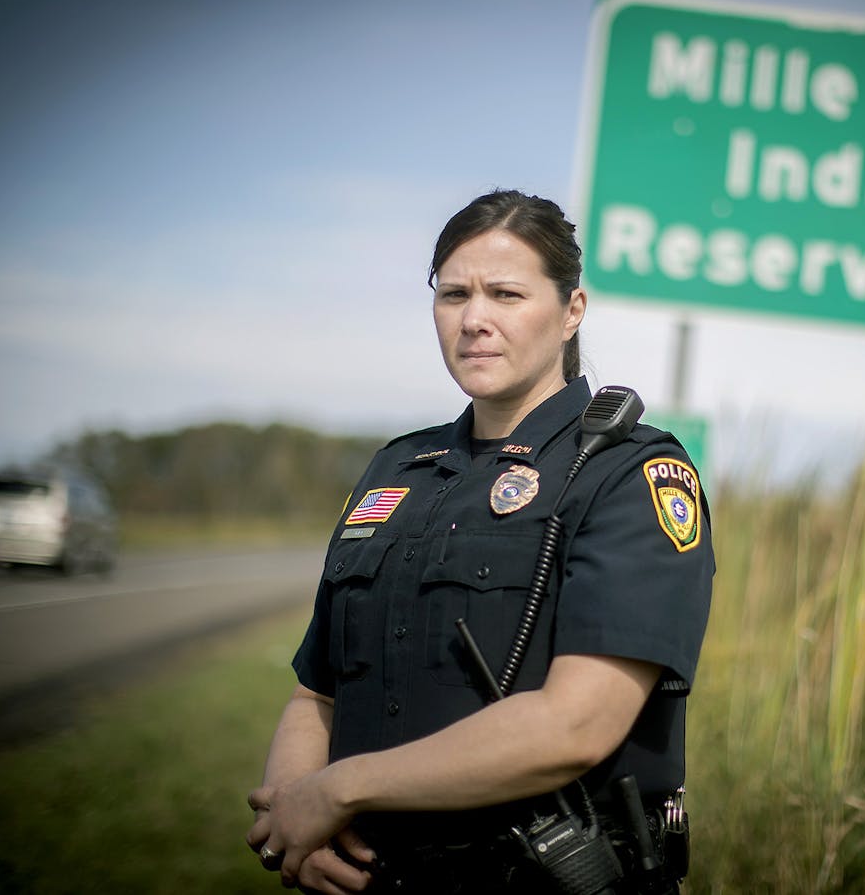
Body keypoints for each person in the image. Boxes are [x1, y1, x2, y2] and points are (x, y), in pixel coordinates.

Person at [246, 189, 715, 894]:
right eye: (454, 293)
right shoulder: (396, 471)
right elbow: (318, 693)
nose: (474, 320)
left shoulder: (628, 473)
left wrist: (342, 788)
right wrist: (295, 817)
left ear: (571, 311)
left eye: (505, 293)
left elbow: (576, 723)